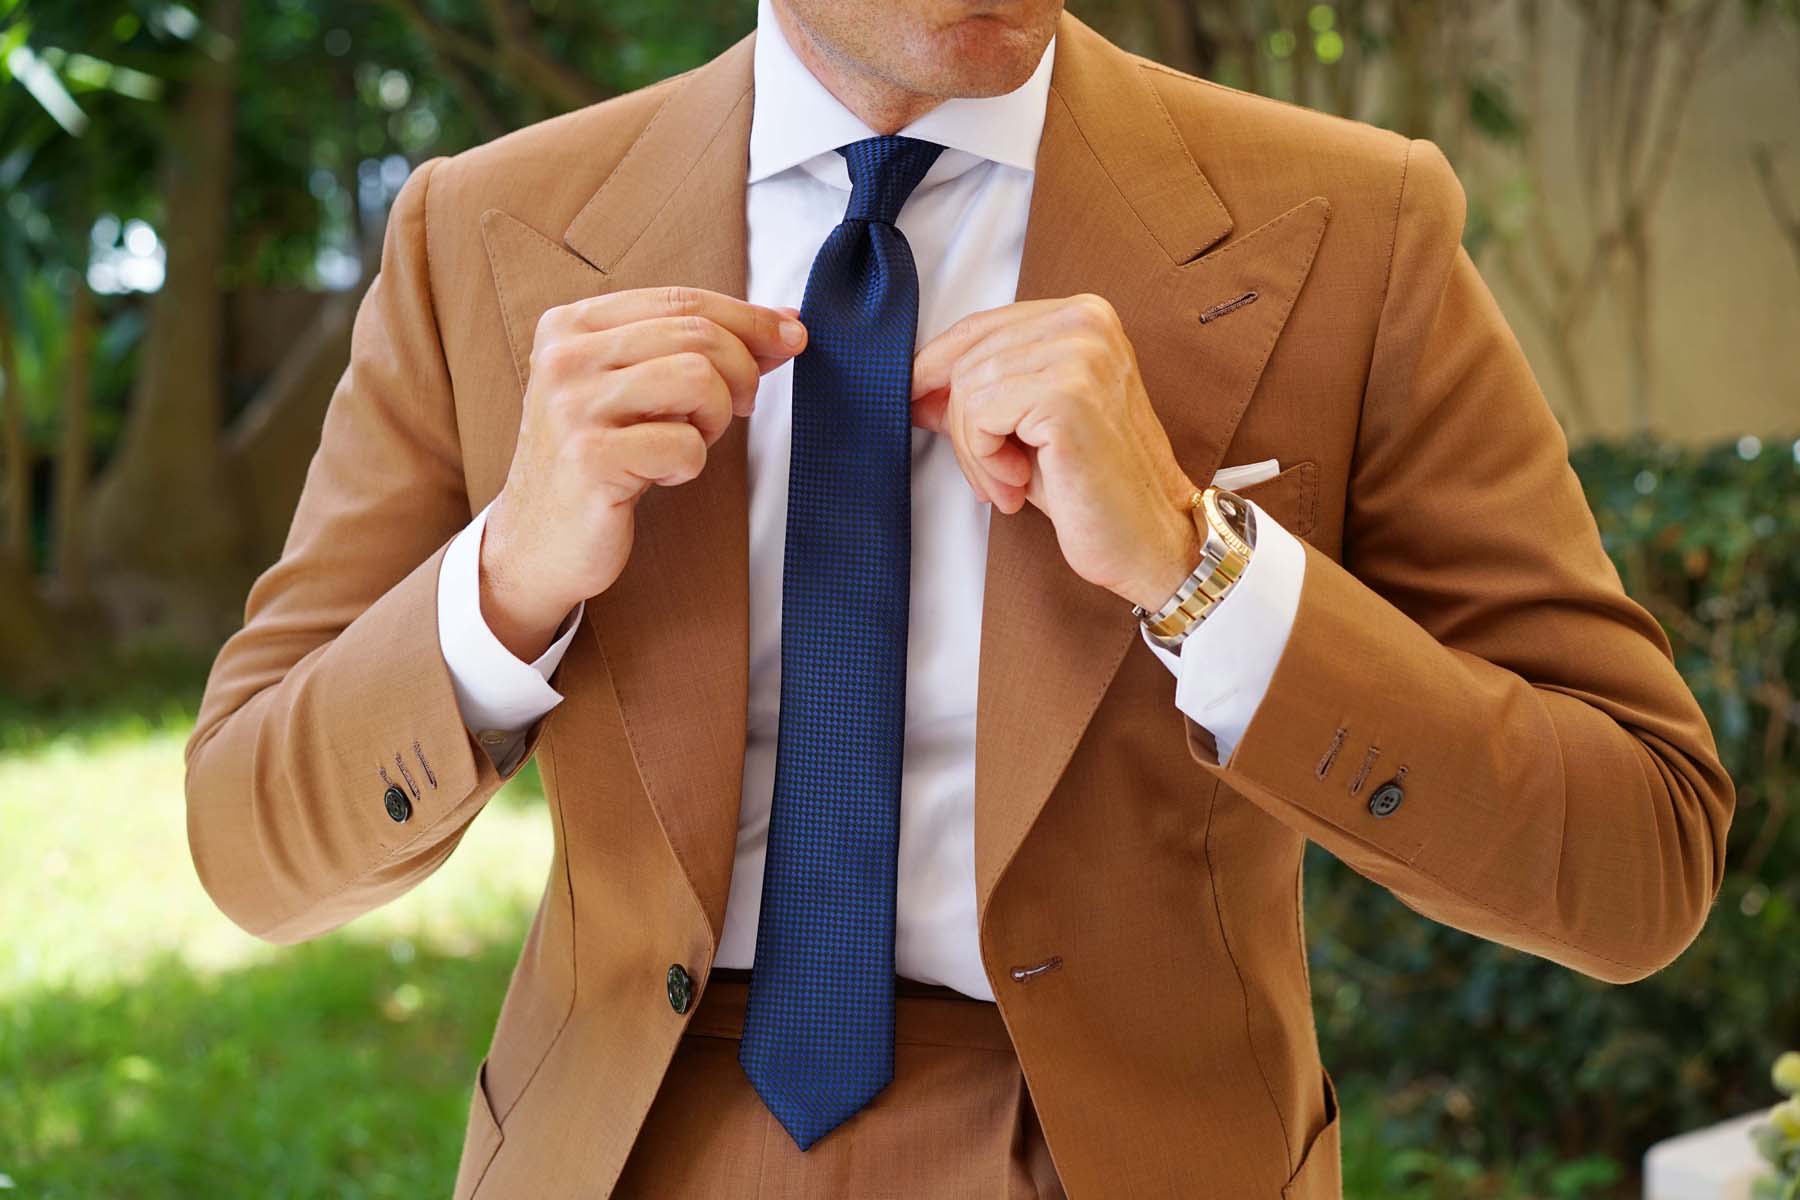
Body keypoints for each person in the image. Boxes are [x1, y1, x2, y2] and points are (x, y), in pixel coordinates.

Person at [183, 0, 1735, 1196]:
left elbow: (1637, 855)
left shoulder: (1354, 228)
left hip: (1125, 1150)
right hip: (628, 1146)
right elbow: (253, 846)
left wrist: (1208, 577)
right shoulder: (483, 231)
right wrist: (506, 579)